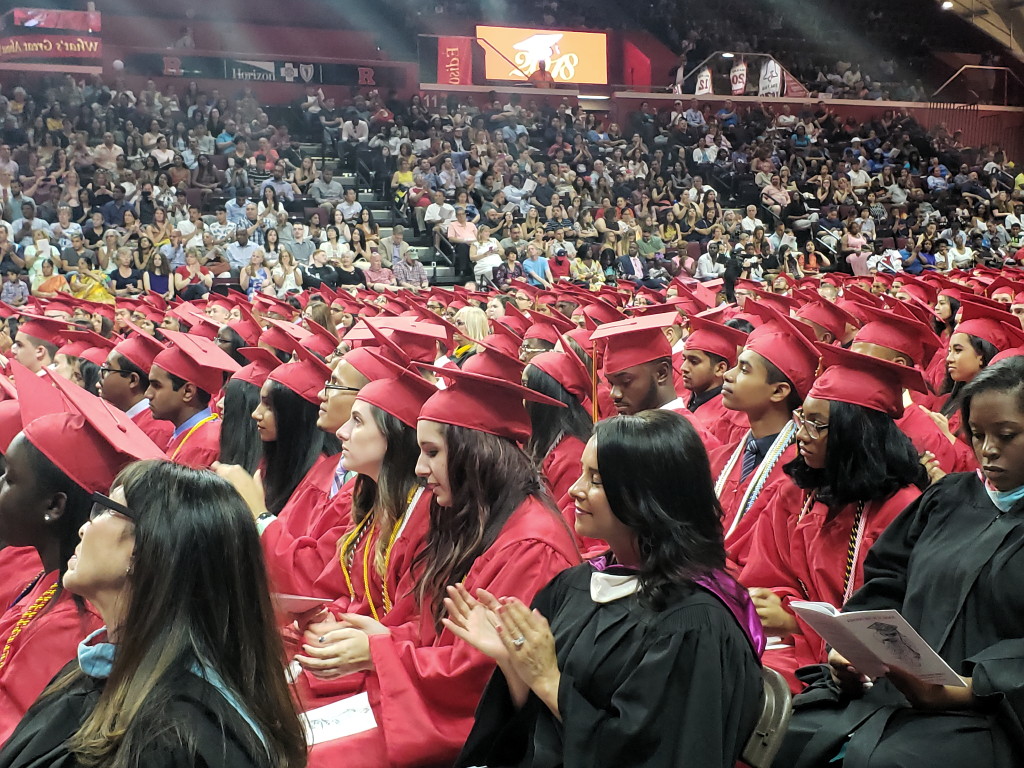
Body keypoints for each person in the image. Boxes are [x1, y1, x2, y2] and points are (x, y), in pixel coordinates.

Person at [291, 366, 580, 768]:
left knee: (315, 755)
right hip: (423, 699)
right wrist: (380, 636)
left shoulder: (530, 547)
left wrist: (381, 653)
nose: (419, 469)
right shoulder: (478, 520)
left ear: (474, 455)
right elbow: (435, 629)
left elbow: (481, 676)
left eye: (432, 453)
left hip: (478, 732)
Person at [451, 410, 765, 768]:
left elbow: (655, 755)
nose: (574, 490)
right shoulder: (574, 586)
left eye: (596, 479)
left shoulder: (694, 625)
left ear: (648, 495)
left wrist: (548, 678)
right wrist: (514, 663)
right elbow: (534, 732)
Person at [775, 356, 1024, 768]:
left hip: (989, 713)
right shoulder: (948, 499)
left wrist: (966, 688)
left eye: (1007, 435)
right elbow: (888, 580)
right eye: (977, 434)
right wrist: (852, 649)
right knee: (784, 736)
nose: (988, 450)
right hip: (889, 695)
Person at [0, 459, 308, 768]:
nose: (83, 528)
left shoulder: (174, 742)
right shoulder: (97, 672)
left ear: (146, 548)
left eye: (105, 509)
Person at [740, 345, 927, 693]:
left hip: (853, 671)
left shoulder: (903, 511)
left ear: (854, 434)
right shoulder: (798, 493)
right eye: (802, 419)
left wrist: (796, 622)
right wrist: (773, 604)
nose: (799, 435)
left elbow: (886, 620)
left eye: (816, 425)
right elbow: (769, 572)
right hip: (791, 647)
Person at [0, 367, 164, 743]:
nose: (1, 487)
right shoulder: (49, 579)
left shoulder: (76, 625)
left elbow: (22, 738)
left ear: (54, 507)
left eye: (10, 477)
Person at [710, 304, 820, 569]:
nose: (727, 374)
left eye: (744, 370)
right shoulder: (719, 459)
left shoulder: (801, 473)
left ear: (779, 391)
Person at [590, 315, 720, 449]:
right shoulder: (625, 433)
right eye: (611, 384)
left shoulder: (694, 442)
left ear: (661, 373)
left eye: (625, 382)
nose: (614, 394)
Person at [146, 330, 240, 468]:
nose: (148, 394)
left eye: (156, 386)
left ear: (188, 392)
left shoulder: (202, 447)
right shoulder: (191, 433)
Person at [98, 330, 175, 447]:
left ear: (133, 380)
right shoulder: (123, 415)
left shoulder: (157, 431)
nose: (100, 373)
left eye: (107, 369)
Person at [682, 315, 749, 446]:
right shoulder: (684, 401)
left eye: (694, 362)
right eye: (684, 359)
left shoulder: (730, 418)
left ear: (720, 368)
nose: (683, 368)